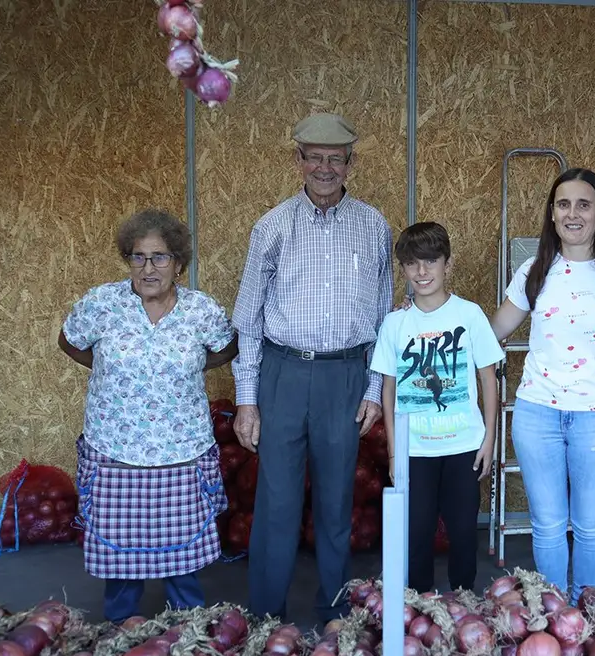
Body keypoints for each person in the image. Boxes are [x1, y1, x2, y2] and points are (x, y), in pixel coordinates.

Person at [230, 112, 394, 623]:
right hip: (282, 374)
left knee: (335, 501)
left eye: (335, 159)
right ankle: (265, 616)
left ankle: (335, 612)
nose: (324, 168)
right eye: (314, 158)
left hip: (345, 376)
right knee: (276, 501)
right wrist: (246, 400)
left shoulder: (374, 227)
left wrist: (372, 389)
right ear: (298, 161)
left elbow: (386, 317)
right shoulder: (272, 226)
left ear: (350, 164)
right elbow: (249, 321)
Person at [59, 208, 239, 623]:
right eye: (138, 257)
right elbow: (69, 341)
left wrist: (188, 368)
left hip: (181, 448)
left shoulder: (201, 310)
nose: (148, 267)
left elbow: (226, 347)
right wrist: (108, 365)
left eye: (160, 257)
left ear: (178, 264)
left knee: (183, 561)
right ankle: (120, 629)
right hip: (115, 447)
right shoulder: (102, 303)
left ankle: (189, 628)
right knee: (120, 564)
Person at [489, 168, 595, 606]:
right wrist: (434, 319)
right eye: (563, 204)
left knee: (593, 525)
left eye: (584, 204)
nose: (573, 213)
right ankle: (557, 612)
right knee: (547, 523)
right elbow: (495, 330)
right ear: (552, 213)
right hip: (537, 413)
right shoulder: (534, 271)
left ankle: (587, 609)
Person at [371, 221, 504, 594]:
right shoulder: (395, 323)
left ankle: (464, 603)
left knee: (463, 531)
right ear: (404, 269)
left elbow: (488, 380)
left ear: (447, 263)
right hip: (416, 449)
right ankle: (419, 605)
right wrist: (396, 452)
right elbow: (388, 388)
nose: (422, 272)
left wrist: (489, 439)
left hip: (463, 445)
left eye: (431, 261)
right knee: (417, 532)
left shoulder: (470, 315)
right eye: (413, 264)